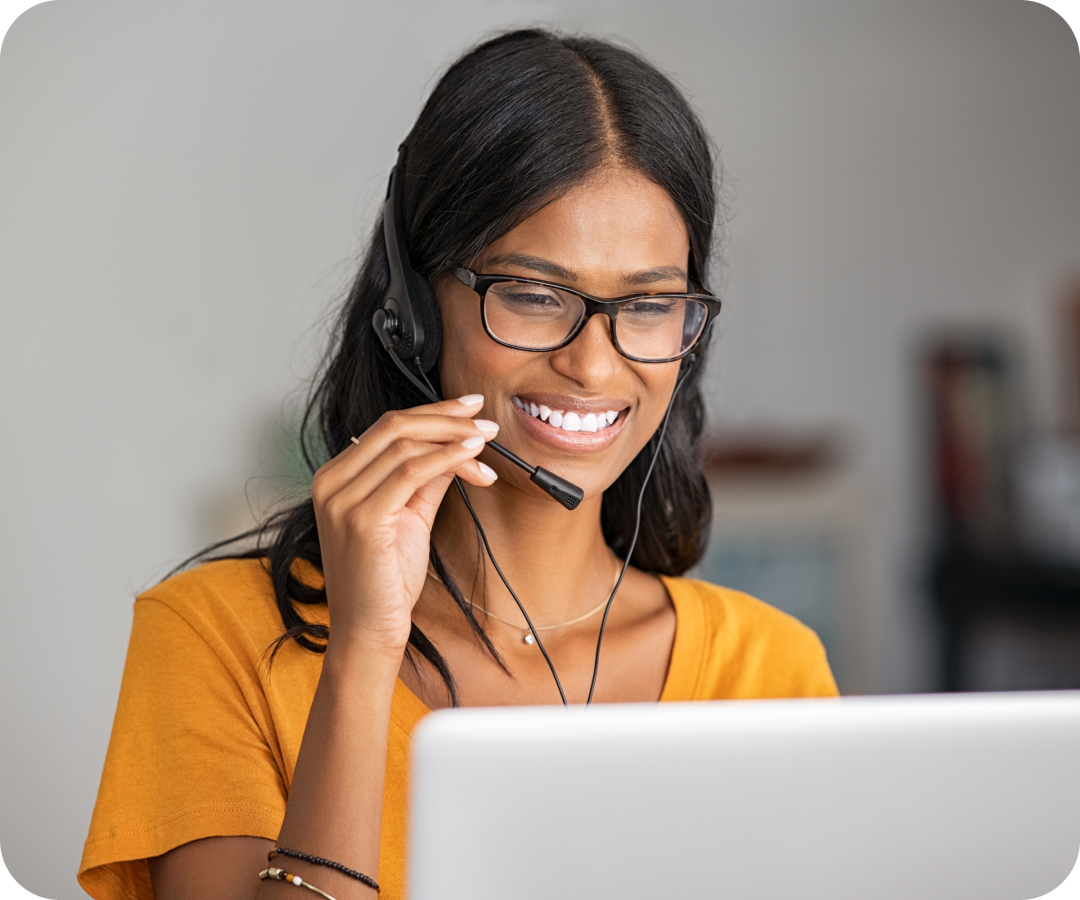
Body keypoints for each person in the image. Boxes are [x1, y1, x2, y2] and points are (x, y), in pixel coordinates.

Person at [78, 27, 838, 900]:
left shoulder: (774, 671)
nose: (594, 366)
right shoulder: (213, 638)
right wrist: (364, 653)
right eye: (532, 294)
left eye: (650, 304)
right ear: (411, 309)